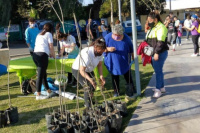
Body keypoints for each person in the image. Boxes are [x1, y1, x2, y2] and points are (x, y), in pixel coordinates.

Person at [72, 37, 106, 107]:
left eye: (102, 51)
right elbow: (82, 70)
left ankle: (90, 100)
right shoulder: (87, 53)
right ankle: (87, 105)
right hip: (78, 70)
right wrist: (90, 80)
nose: (101, 53)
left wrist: (101, 76)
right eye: (100, 51)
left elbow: (99, 65)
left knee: (93, 86)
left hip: (89, 69)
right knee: (87, 86)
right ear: (95, 47)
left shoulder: (100, 52)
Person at [104, 24, 136, 97]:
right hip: (113, 62)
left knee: (128, 76)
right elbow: (102, 49)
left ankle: (131, 89)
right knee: (115, 77)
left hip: (124, 61)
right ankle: (116, 91)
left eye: (119, 35)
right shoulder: (107, 38)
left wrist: (134, 58)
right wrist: (108, 49)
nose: (117, 36)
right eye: (115, 34)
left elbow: (131, 50)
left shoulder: (126, 39)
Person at [146, 12, 169, 98]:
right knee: (158, 71)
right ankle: (162, 87)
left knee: (158, 72)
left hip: (159, 53)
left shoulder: (161, 27)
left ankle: (158, 89)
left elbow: (160, 42)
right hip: (153, 52)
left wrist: (156, 53)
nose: (149, 22)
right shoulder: (154, 27)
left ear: (155, 20)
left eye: (150, 20)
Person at [33, 23, 56, 100]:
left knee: (43, 74)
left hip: (35, 54)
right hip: (42, 55)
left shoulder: (39, 34)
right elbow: (51, 46)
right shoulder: (49, 34)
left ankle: (49, 91)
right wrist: (53, 55)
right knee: (40, 75)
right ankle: (38, 94)